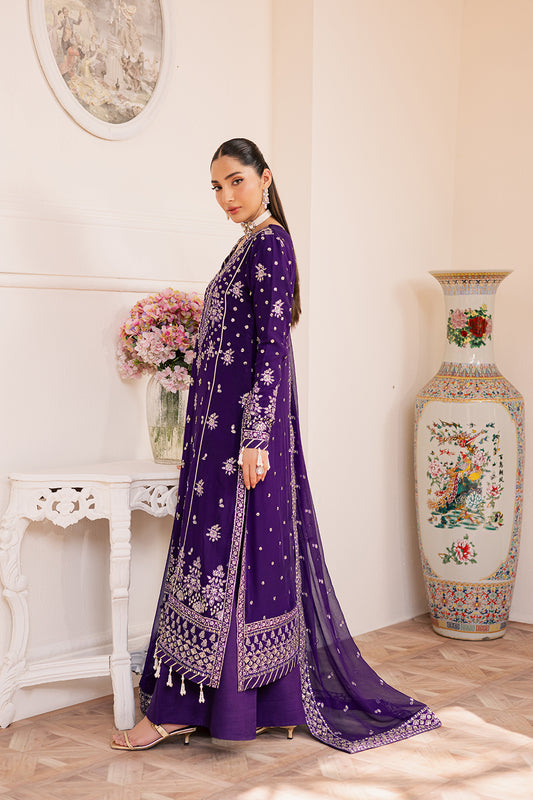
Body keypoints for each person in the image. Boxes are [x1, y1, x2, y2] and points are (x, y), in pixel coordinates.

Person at [111, 138, 441, 752]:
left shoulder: (269, 243)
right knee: (217, 559)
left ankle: (188, 711)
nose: (225, 196)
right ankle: (246, 705)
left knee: (230, 559)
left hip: (242, 437)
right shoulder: (245, 245)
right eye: (216, 187)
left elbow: (272, 345)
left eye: (235, 181)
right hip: (215, 435)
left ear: (265, 178)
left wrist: (256, 437)